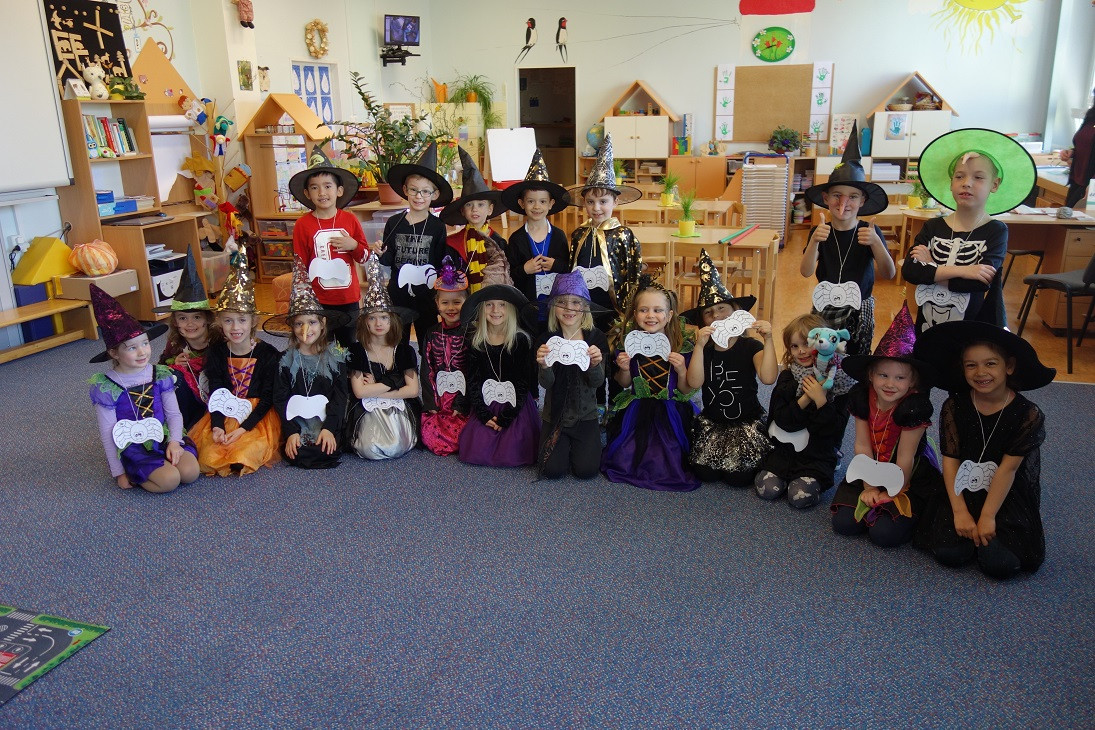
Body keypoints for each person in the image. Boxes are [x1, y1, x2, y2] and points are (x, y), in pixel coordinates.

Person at [912, 321, 1055, 579]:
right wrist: (960, 512)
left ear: (1009, 366)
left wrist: (988, 517)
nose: (981, 372)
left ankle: (987, 533)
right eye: (971, 365)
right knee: (949, 554)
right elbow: (950, 460)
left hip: (1003, 493)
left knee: (1000, 565)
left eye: (990, 363)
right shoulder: (954, 405)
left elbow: (1008, 470)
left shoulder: (1027, 414)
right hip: (963, 489)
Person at [903, 128, 1037, 332]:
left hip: (971, 329)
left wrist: (932, 267)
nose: (967, 183)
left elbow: (981, 282)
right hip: (925, 328)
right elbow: (911, 271)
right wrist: (965, 270)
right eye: (959, 176)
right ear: (951, 183)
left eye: (978, 177)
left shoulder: (996, 230)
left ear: (995, 184)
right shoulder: (933, 226)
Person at [831, 303, 943, 547]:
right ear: (871, 375)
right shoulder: (862, 396)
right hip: (870, 463)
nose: (890, 384)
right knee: (844, 524)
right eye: (883, 375)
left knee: (884, 535)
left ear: (912, 382)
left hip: (904, 473)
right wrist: (870, 487)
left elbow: (905, 457)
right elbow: (862, 444)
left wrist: (890, 492)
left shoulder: (914, 407)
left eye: (900, 378)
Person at [87, 284, 198, 493]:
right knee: (170, 481)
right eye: (132, 347)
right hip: (134, 447)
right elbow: (108, 432)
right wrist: (119, 472)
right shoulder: (107, 387)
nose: (142, 352)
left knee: (190, 472)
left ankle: (161, 462)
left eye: (145, 343)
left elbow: (174, 414)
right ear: (114, 353)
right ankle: (136, 472)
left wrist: (175, 441)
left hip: (162, 436)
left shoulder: (160, 374)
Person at [683, 249, 778, 487]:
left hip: (745, 422)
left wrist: (768, 340)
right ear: (703, 321)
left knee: (740, 478)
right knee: (705, 473)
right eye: (708, 313)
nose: (716, 315)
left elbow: (768, 378)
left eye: (722, 309)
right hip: (714, 423)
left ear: (736, 311)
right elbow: (694, 383)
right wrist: (699, 346)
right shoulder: (705, 350)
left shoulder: (750, 346)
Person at [801, 121, 895, 356]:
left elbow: (889, 273)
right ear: (826, 198)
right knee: (823, 357)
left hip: (859, 311)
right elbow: (805, 271)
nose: (844, 203)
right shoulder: (820, 232)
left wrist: (875, 243)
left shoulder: (869, 231)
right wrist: (814, 242)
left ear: (862, 201)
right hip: (825, 308)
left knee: (855, 359)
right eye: (837, 195)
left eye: (853, 196)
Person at [187, 245, 281, 476]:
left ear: (253, 322)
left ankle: (240, 449)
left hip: (256, 416)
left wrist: (243, 429)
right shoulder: (217, 352)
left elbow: (268, 398)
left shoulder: (268, 354)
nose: (235, 327)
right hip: (225, 411)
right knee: (208, 453)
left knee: (245, 451)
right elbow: (217, 391)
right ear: (220, 322)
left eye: (242, 320)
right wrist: (217, 426)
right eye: (228, 321)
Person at [601, 277, 699, 491]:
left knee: (670, 455)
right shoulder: (630, 345)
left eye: (657, 310)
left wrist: (682, 370)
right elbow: (624, 383)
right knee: (626, 454)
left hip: (671, 408)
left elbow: (685, 389)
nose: (651, 315)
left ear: (669, 315)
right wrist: (624, 368)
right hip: (639, 408)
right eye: (644, 310)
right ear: (635, 315)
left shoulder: (680, 346)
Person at [755, 313, 856, 508]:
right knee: (767, 490)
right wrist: (806, 397)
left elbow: (834, 429)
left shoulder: (839, 382)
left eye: (807, 344)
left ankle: (830, 464)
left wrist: (821, 400)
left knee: (799, 497)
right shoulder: (788, 377)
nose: (801, 351)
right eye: (794, 346)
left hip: (816, 454)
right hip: (784, 450)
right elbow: (781, 419)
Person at [268, 258, 350, 469]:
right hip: (297, 422)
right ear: (292, 327)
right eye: (299, 324)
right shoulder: (285, 361)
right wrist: (291, 432)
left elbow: (340, 396)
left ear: (323, 324)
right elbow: (280, 398)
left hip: (327, 420)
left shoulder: (335, 357)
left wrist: (329, 428)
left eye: (312, 322)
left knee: (326, 450)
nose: (306, 330)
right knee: (299, 453)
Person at [533, 272, 610, 479]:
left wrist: (595, 364)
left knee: (586, 471)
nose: (569, 308)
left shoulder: (596, 338)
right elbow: (546, 383)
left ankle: (580, 444)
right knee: (551, 470)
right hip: (555, 414)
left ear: (585, 306)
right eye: (562, 302)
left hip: (585, 415)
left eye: (576, 302)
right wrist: (544, 366)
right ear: (553, 306)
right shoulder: (547, 339)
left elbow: (597, 382)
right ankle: (562, 445)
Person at [289, 148, 368, 347]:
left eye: (327, 186)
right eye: (315, 188)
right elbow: (300, 266)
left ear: (339, 190)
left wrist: (353, 245)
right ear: (307, 193)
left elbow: (365, 256)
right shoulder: (302, 225)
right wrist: (302, 300)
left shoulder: (350, 219)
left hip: (348, 298)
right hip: (317, 300)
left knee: (349, 345)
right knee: (320, 346)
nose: (322, 193)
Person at [345, 256, 421, 460]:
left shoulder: (404, 351)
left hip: (397, 407)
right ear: (365, 322)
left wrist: (376, 388)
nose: (379, 323)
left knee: (398, 443)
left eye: (384, 317)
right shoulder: (357, 351)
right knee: (369, 447)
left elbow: (413, 390)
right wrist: (395, 383)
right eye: (372, 318)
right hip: (367, 409)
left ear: (392, 320)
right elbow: (360, 392)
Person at [458, 284, 541, 467]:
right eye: (489, 305)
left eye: (502, 304)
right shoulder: (476, 341)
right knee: (477, 446)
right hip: (487, 401)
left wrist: (508, 415)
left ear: (510, 309)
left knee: (515, 445)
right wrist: (483, 414)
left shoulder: (521, 340)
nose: (495, 310)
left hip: (515, 403)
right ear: (482, 309)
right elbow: (473, 380)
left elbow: (523, 382)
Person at [378, 142, 454, 343]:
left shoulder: (437, 226)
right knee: (398, 340)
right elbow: (387, 259)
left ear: (434, 194)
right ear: (405, 190)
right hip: (398, 294)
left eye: (425, 191)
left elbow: (439, 261)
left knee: (427, 340)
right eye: (414, 190)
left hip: (426, 296)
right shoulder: (394, 223)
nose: (419, 196)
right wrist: (380, 254)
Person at [567, 133, 644, 327]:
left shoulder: (623, 235)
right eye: (590, 202)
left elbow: (632, 274)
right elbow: (571, 268)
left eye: (603, 201)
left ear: (615, 201)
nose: (596, 208)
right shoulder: (579, 234)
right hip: (583, 306)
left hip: (613, 308)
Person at [154, 249, 219, 429]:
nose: (190, 324)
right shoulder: (176, 343)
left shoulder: (218, 341)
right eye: (183, 318)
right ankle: (181, 426)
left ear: (207, 319)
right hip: (188, 398)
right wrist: (174, 363)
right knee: (171, 378)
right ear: (175, 322)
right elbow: (161, 366)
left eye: (196, 317)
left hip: (216, 397)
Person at [504, 149, 572, 306]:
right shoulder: (516, 239)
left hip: (555, 304)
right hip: (526, 303)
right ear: (522, 203)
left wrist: (556, 265)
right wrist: (524, 269)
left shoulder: (558, 236)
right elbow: (509, 274)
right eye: (530, 201)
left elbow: (568, 268)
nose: (536, 206)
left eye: (542, 201)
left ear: (551, 204)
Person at [441, 147, 512, 293]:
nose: (475, 209)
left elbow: (503, 275)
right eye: (469, 205)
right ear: (462, 211)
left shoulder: (498, 243)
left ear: (490, 209)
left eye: (481, 204)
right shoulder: (453, 244)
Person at [420, 258, 471, 456]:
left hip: (464, 397)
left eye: (457, 302)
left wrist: (462, 403)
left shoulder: (471, 333)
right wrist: (431, 403)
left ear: (467, 302)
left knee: (468, 434)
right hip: (439, 397)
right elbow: (426, 368)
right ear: (437, 304)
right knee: (429, 435)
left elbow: (473, 372)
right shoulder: (431, 333)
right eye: (445, 302)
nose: (451, 308)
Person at [1059, 89, 1095, 209]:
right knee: (1066, 216)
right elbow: (1086, 145)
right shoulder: (1090, 117)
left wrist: (1094, 184)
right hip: (1078, 180)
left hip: (1090, 185)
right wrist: (1071, 152)